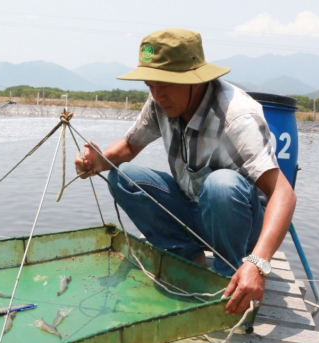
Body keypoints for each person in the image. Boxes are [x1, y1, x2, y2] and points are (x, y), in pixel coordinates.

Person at [75, 28, 296, 315]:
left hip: (240, 223)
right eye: (150, 86)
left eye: (165, 85)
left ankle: (225, 274)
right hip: (193, 208)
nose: (157, 95)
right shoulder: (160, 101)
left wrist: (259, 262)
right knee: (123, 177)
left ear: (195, 81)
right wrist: (97, 161)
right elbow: (129, 147)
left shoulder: (237, 116)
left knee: (221, 185)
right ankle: (188, 259)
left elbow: (284, 194)